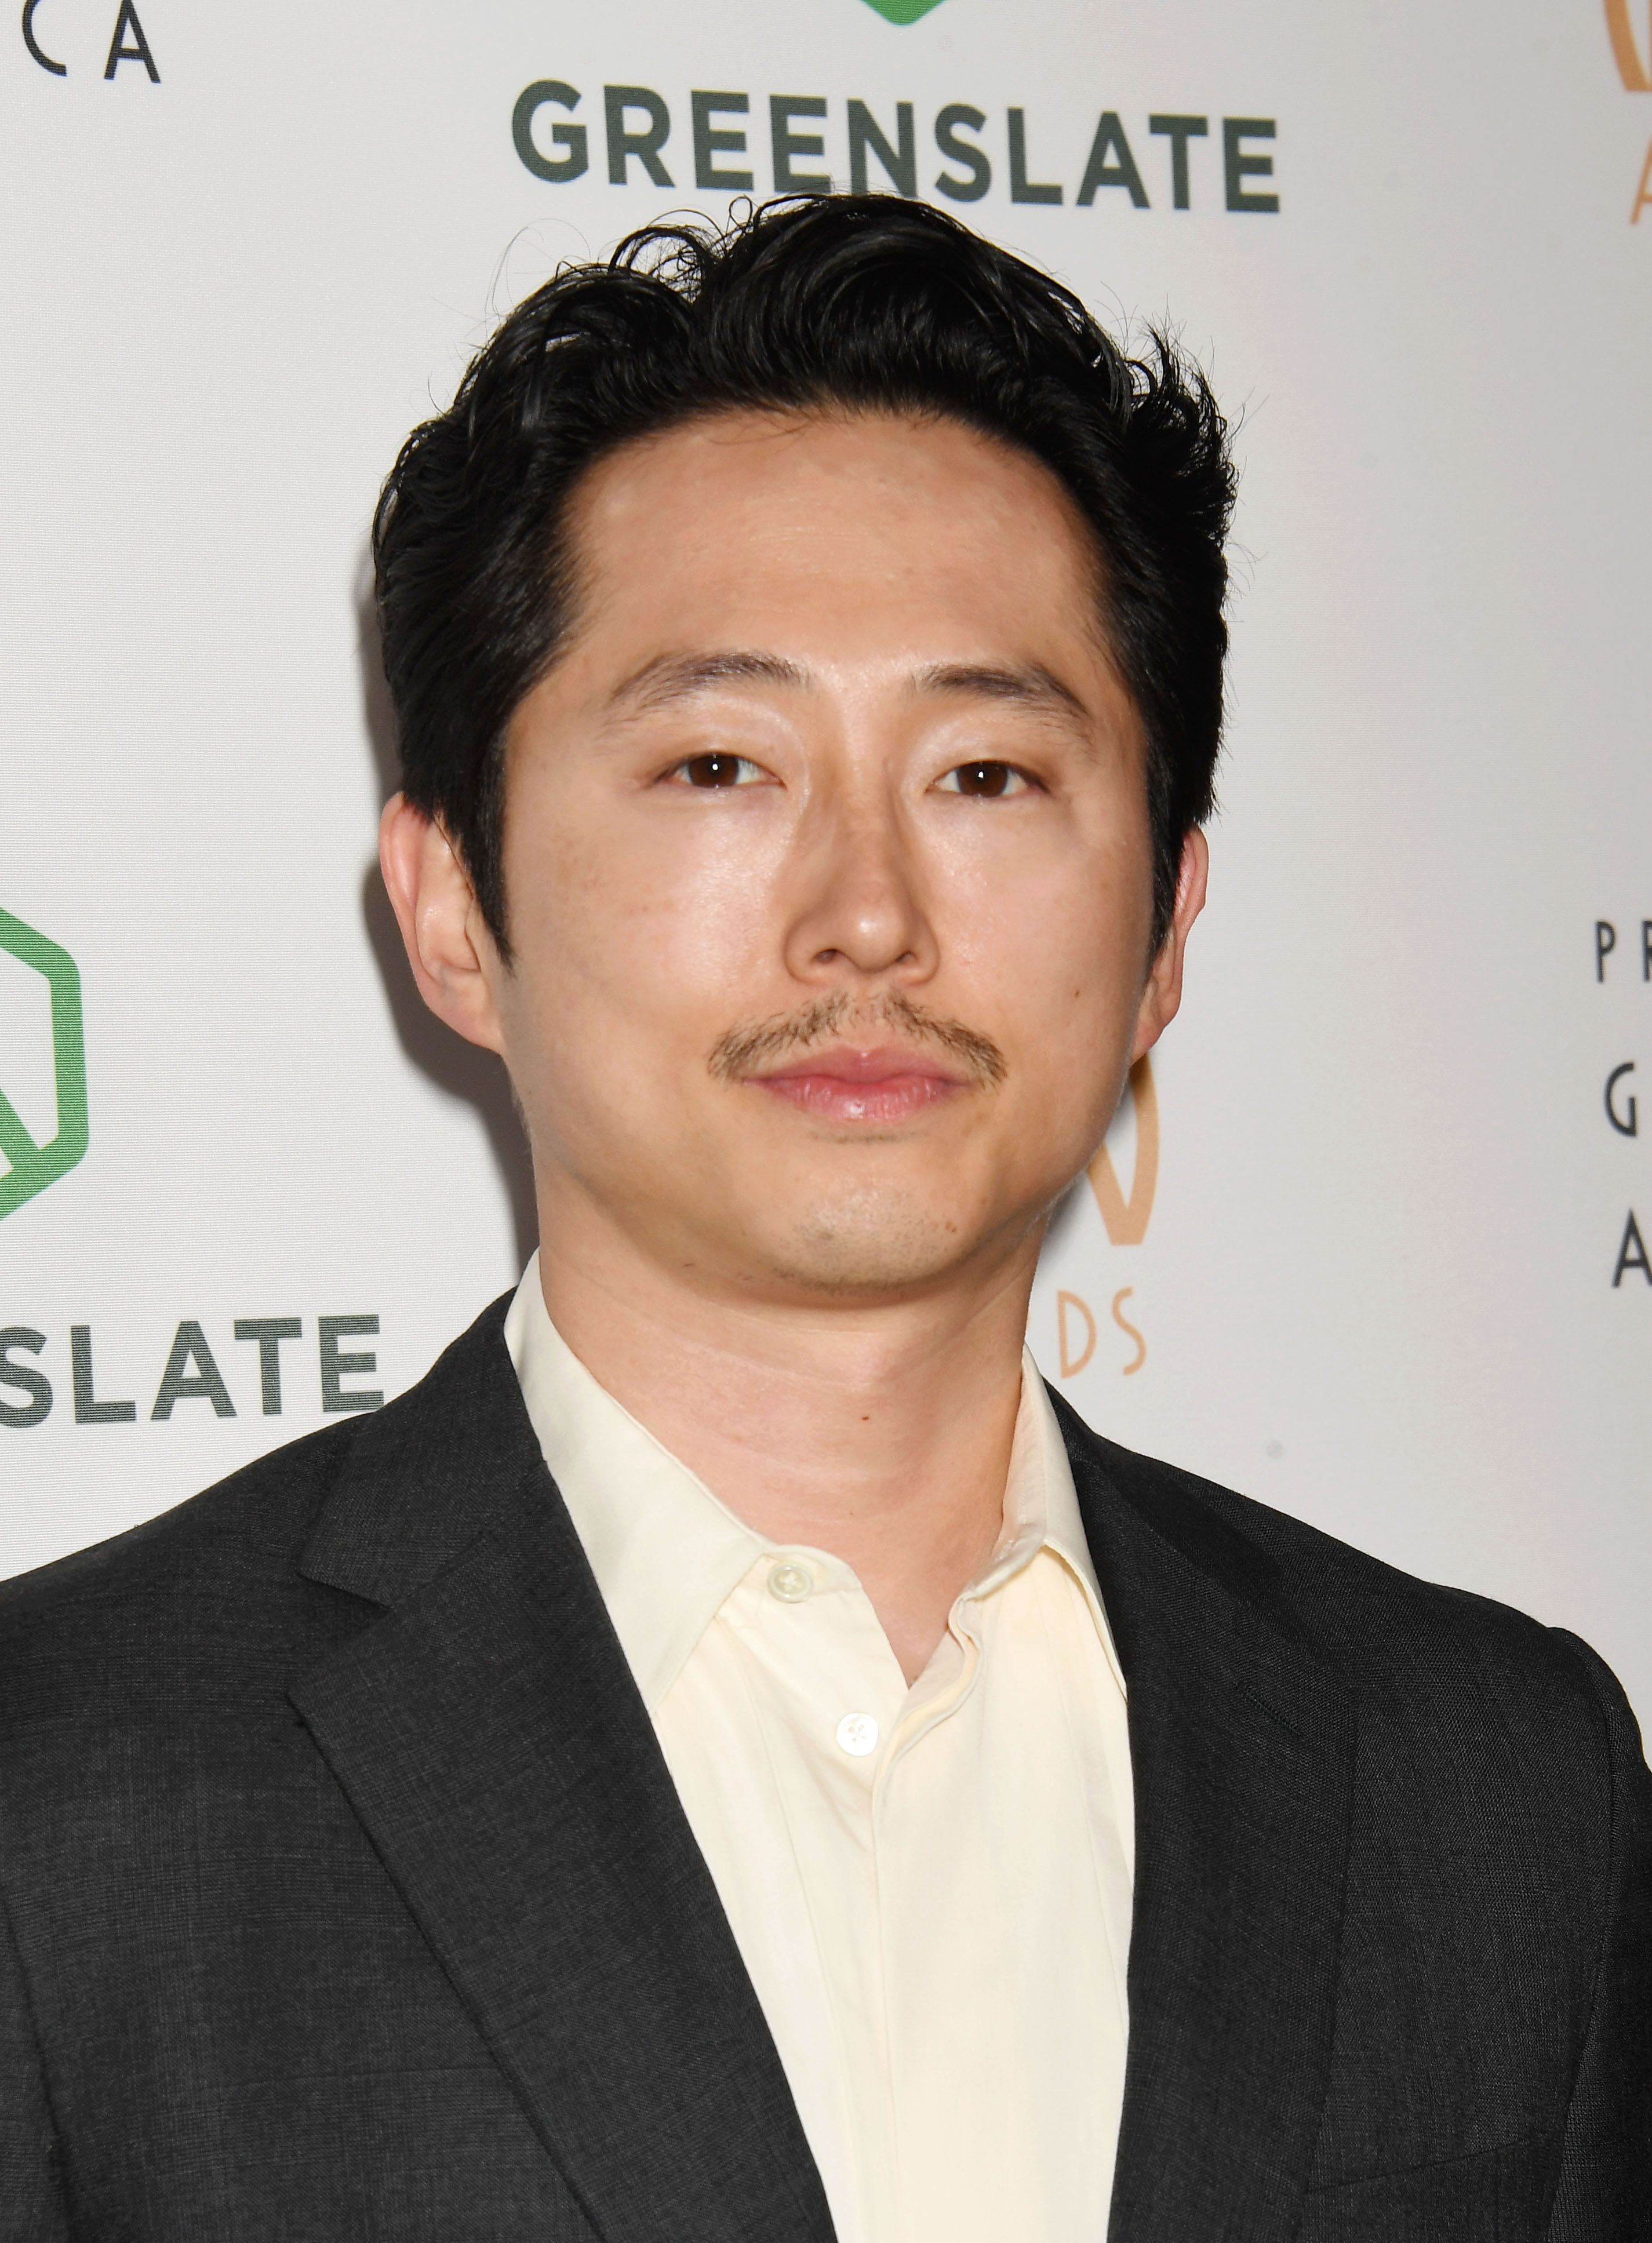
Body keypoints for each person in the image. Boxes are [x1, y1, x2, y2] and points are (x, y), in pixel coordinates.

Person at [1, 195, 1646, 2243]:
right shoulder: (64, 1791)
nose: (865, 910)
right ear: (449, 911)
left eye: (982, 773)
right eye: (718, 763)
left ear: (1164, 929)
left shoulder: (1493, 1783)